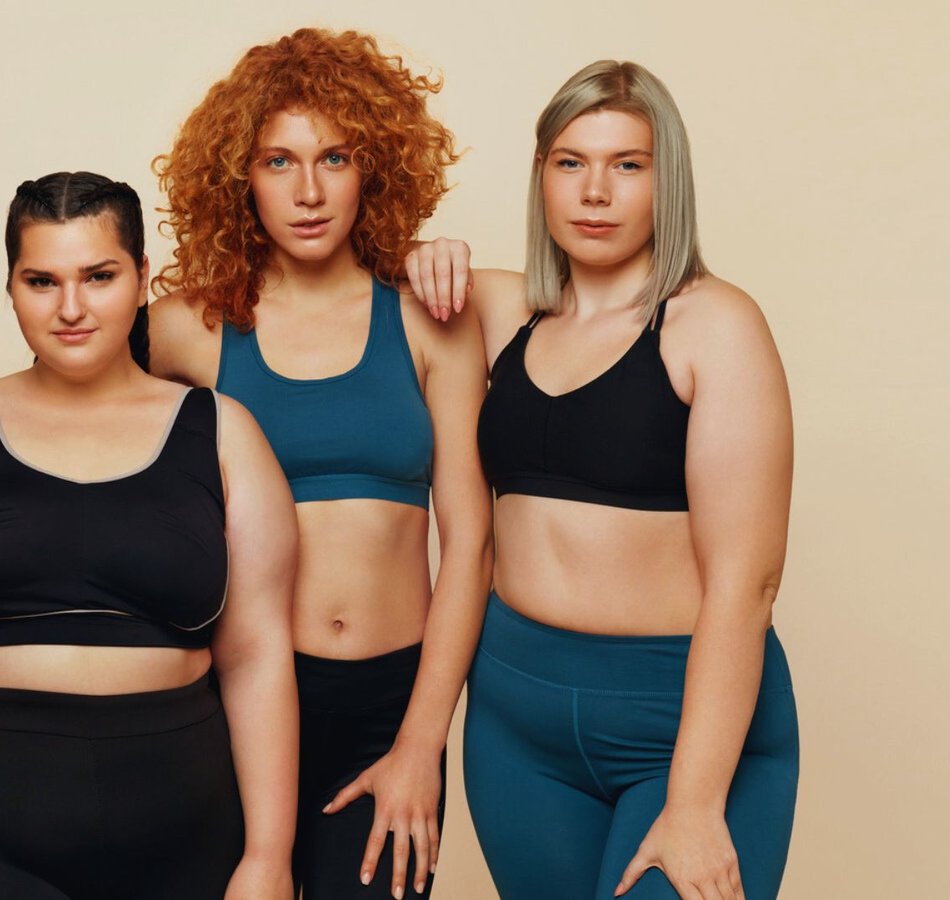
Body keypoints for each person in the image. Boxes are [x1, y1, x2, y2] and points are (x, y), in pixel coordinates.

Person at [0, 172, 300, 900]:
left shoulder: (222, 433)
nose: (70, 308)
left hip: (183, 822)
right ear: (11, 287)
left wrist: (269, 857)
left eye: (99, 276)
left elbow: (256, 654)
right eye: (41, 281)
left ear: (142, 277)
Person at [413, 60, 800, 899]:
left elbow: (749, 582)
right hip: (517, 725)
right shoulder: (500, 311)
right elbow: (337, 297)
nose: (596, 191)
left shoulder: (714, 325)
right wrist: (421, 253)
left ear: (670, 183)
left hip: (681, 729)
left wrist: (697, 803)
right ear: (541, 178)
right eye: (570, 163)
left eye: (628, 165)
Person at [149, 28, 492, 899]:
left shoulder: (428, 318)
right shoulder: (187, 327)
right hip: (237, 697)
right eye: (278, 162)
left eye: (333, 158)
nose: (308, 192)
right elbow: (72, 426)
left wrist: (421, 744)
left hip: (392, 703)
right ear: (239, 178)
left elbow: (473, 547)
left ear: (371, 167)